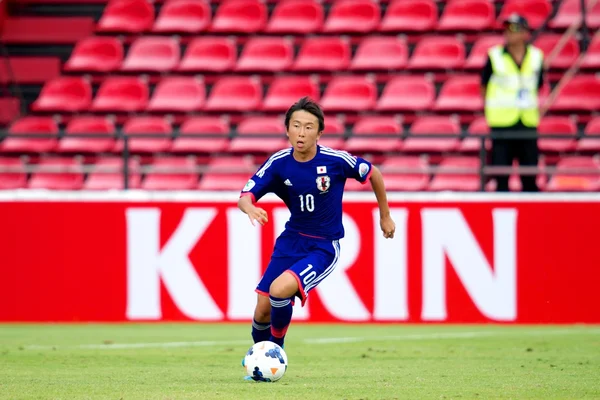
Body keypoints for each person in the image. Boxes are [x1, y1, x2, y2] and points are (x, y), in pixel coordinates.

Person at [238, 97, 395, 369]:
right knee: (262, 309)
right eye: (296, 125)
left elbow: (374, 173)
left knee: (279, 290)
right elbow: (245, 195)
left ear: (319, 132)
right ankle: (259, 363)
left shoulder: (335, 161)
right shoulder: (278, 163)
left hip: (323, 247)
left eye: (309, 127)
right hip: (291, 241)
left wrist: (385, 215)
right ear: (287, 129)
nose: (301, 132)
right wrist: (249, 207)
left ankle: (276, 353)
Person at [481, 13, 545, 192]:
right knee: (501, 176)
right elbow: (483, 86)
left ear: (526, 33)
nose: (510, 33)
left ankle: (533, 216)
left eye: (515, 28)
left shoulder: (537, 56)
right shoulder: (494, 56)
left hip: (527, 122)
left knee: (530, 175)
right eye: (507, 28)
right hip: (501, 124)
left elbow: (538, 84)